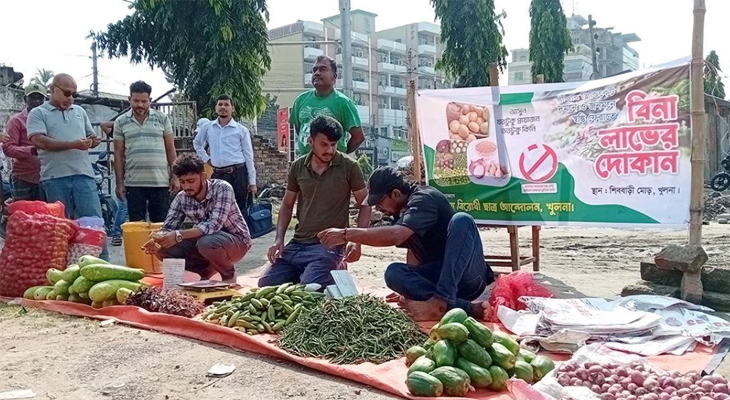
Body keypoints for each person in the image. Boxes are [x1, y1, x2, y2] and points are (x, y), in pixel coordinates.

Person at [318, 167, 495, 321]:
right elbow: (414, 251)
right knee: (394, 273)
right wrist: (409, 290)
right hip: (440, 279)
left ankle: (440, 302)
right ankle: (467, 308)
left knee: (462, 220)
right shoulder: (400, 211)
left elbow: (396, 235)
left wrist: (347, 234)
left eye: (379, 203)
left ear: (395, 194)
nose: (378, 209)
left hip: (467, 278)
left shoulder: (424, 198)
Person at [259, 115, 370, 289]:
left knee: (310, 289)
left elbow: (365, 204)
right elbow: (287, 205)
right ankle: (317, 272)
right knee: (266, 285)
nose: (330, 150)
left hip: (330, 245)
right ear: (311, 141)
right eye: (324, 144)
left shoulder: (349, 166)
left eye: (333, 145)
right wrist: (278, 240)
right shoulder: (297, 166)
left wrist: (356, 241)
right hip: (298, 243)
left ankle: (332, 268)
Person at [27, 73, 108, 260]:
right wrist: (73, 144)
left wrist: (94, 141)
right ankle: (63, 266)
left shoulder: (79, 112)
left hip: (84, 174)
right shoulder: (38, 113)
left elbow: (91, 136)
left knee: (94, 223)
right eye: (66, 93)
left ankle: (103, 264)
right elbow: (40, 141)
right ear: (52, 89)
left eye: (73, 94)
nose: (70, 98)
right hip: (55, 178)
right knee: (61, 226)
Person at [152, 153, 252, 283]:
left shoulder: (222, 188)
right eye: (182, 182)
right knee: (162, 249)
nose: (186, 187)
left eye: (191, 181)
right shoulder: (181, 197)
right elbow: (168, 227)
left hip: (237, 242)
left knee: (207, 242)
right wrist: (157, 240)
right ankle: (206, 271)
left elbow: (214, 225)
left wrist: (178, 235)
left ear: (203, 177)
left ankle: (228, 275)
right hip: (206, 241)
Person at [114, 81, 178, 224]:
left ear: (150, 100)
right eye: (136, 101)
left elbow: (171, 149)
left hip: (160, 182)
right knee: (137, 226)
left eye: (144, 101)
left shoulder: (162, 118)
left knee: (161, 227)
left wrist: (175, 177)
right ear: (129, 99)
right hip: (134, 184)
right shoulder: (121, 122)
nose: (140, 105)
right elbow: (118, 155)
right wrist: (119, 183)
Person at [290, 55, 365, 157]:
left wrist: (340, 156)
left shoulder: (343, 103)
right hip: (306, 165)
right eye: (314, 70)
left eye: (322, 69)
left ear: (334, 77)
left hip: (333, 168)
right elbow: (300, 129)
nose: (317, 73)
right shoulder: (300, 100)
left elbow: (358, 137)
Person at [193, 95, 257, 214]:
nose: (223, 107)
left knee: (239, 210)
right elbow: (197, 143)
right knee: (218, 209)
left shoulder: (241, 130)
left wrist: (252, 182)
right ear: (216, 108)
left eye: (226, 104)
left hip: (238, 174)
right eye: (220, 104)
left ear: (232, 108)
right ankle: (220, 233)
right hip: (218, 174)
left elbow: (249, 156)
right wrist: (206, 159)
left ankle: (241, 233)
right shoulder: (208, 127)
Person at [3, 84, 46, 201]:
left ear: (45, 100)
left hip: (48, 177)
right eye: (32, 97)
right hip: (24, 177)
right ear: (25, 99)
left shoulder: (51, 119)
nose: (36, 101)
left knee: (48, 214)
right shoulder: (16, 121)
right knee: (22, 214)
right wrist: (30, 150)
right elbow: (8, 148)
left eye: (40, 98)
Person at [100, 121, 127, 246]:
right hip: (126, 173)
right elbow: (103, 125)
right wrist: (124, 120)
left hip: (141, 174)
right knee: (123, 206)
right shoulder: (122, 134)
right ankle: (117, 233)